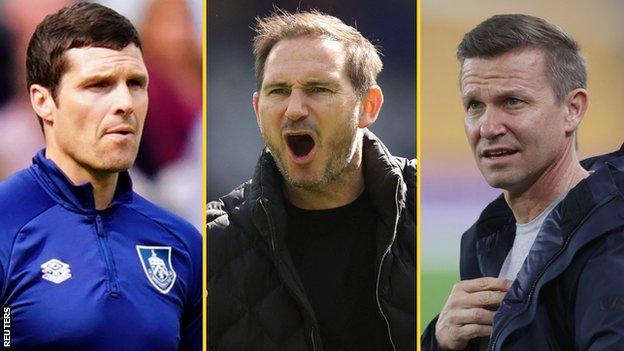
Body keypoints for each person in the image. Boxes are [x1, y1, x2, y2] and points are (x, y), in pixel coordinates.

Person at [208, 10, 415, 351]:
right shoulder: (213, 244)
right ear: (258, 109)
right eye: (278, 91)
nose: (294, 110)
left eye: (318, 89)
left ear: (368, 106)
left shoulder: (427, 204)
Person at [0, 3, 201, 350]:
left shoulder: (181, 243)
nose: (125, 102)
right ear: (43, 101)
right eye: (99, 85)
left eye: (136, 83)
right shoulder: (6, 227)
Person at [421, 14, 624, 350]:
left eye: (512, 102)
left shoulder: (611, 238)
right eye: (475, 105)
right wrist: (439, 341)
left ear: (573, 109)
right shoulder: (484, 239)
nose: (487, 128)